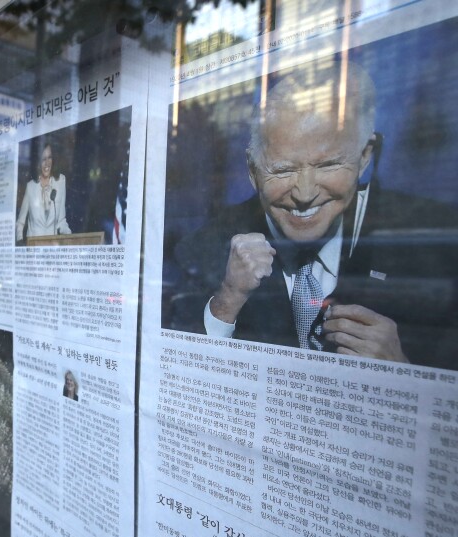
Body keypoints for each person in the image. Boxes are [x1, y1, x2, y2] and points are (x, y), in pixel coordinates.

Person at [172, 60, 458, 369]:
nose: (305, 194)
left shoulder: (439, 244)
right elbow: (178, 371)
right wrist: (226, 301)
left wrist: (402, 368)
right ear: (254, 171)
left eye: (328, 165)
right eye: (283, 169)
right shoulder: (202, 250)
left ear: (364, 156)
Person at [16, 143, 71, 242]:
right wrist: (20, 242)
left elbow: (61, 221)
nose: (46, 163)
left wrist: (70, 237)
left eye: (49, 158)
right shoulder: (30, 187)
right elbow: (20, 222)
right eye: (43, 159)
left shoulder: (60, 182)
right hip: (33, 250)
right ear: (38, 162)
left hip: (50, 251)